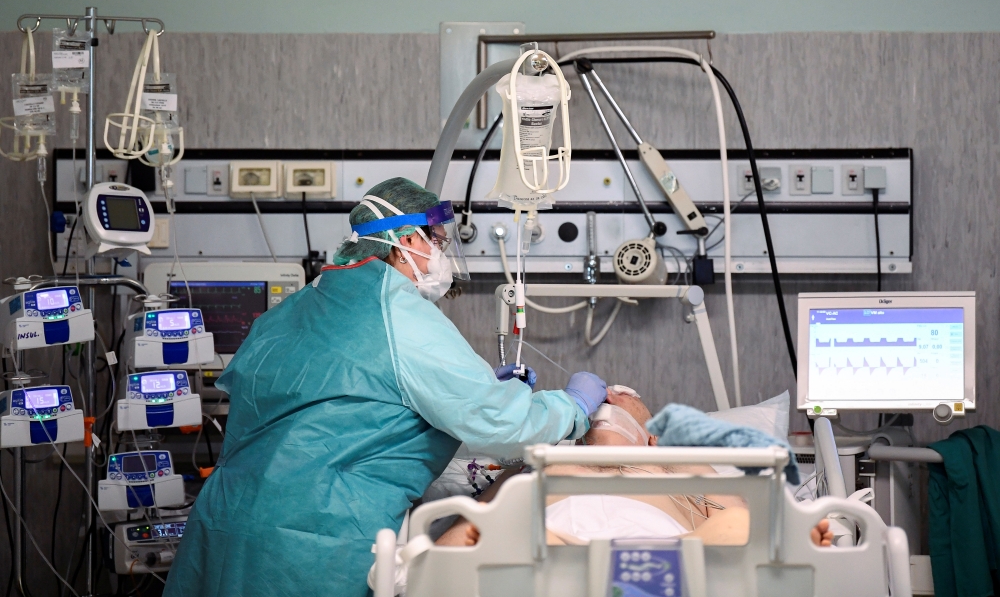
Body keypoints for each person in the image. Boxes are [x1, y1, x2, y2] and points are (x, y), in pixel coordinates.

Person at [163, 177, 608, 597]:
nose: (442, 254)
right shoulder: (399, 315)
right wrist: (573, 406)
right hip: (314, 543)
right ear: (408, 240)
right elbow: (500, 421)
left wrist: (466, 390)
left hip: (221, 525)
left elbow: (338, 408)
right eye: (438, 241)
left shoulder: (294, 307)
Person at [437, 387, 835, 548]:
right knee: (495, 538)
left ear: (652, 436)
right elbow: (473, 522)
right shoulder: (544, 463)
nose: (609, 397)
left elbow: (742, 517)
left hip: (667, 550)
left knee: (737, 528)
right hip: (549, 543)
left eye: (626, 396)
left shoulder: (677, 465)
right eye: (596, 401)